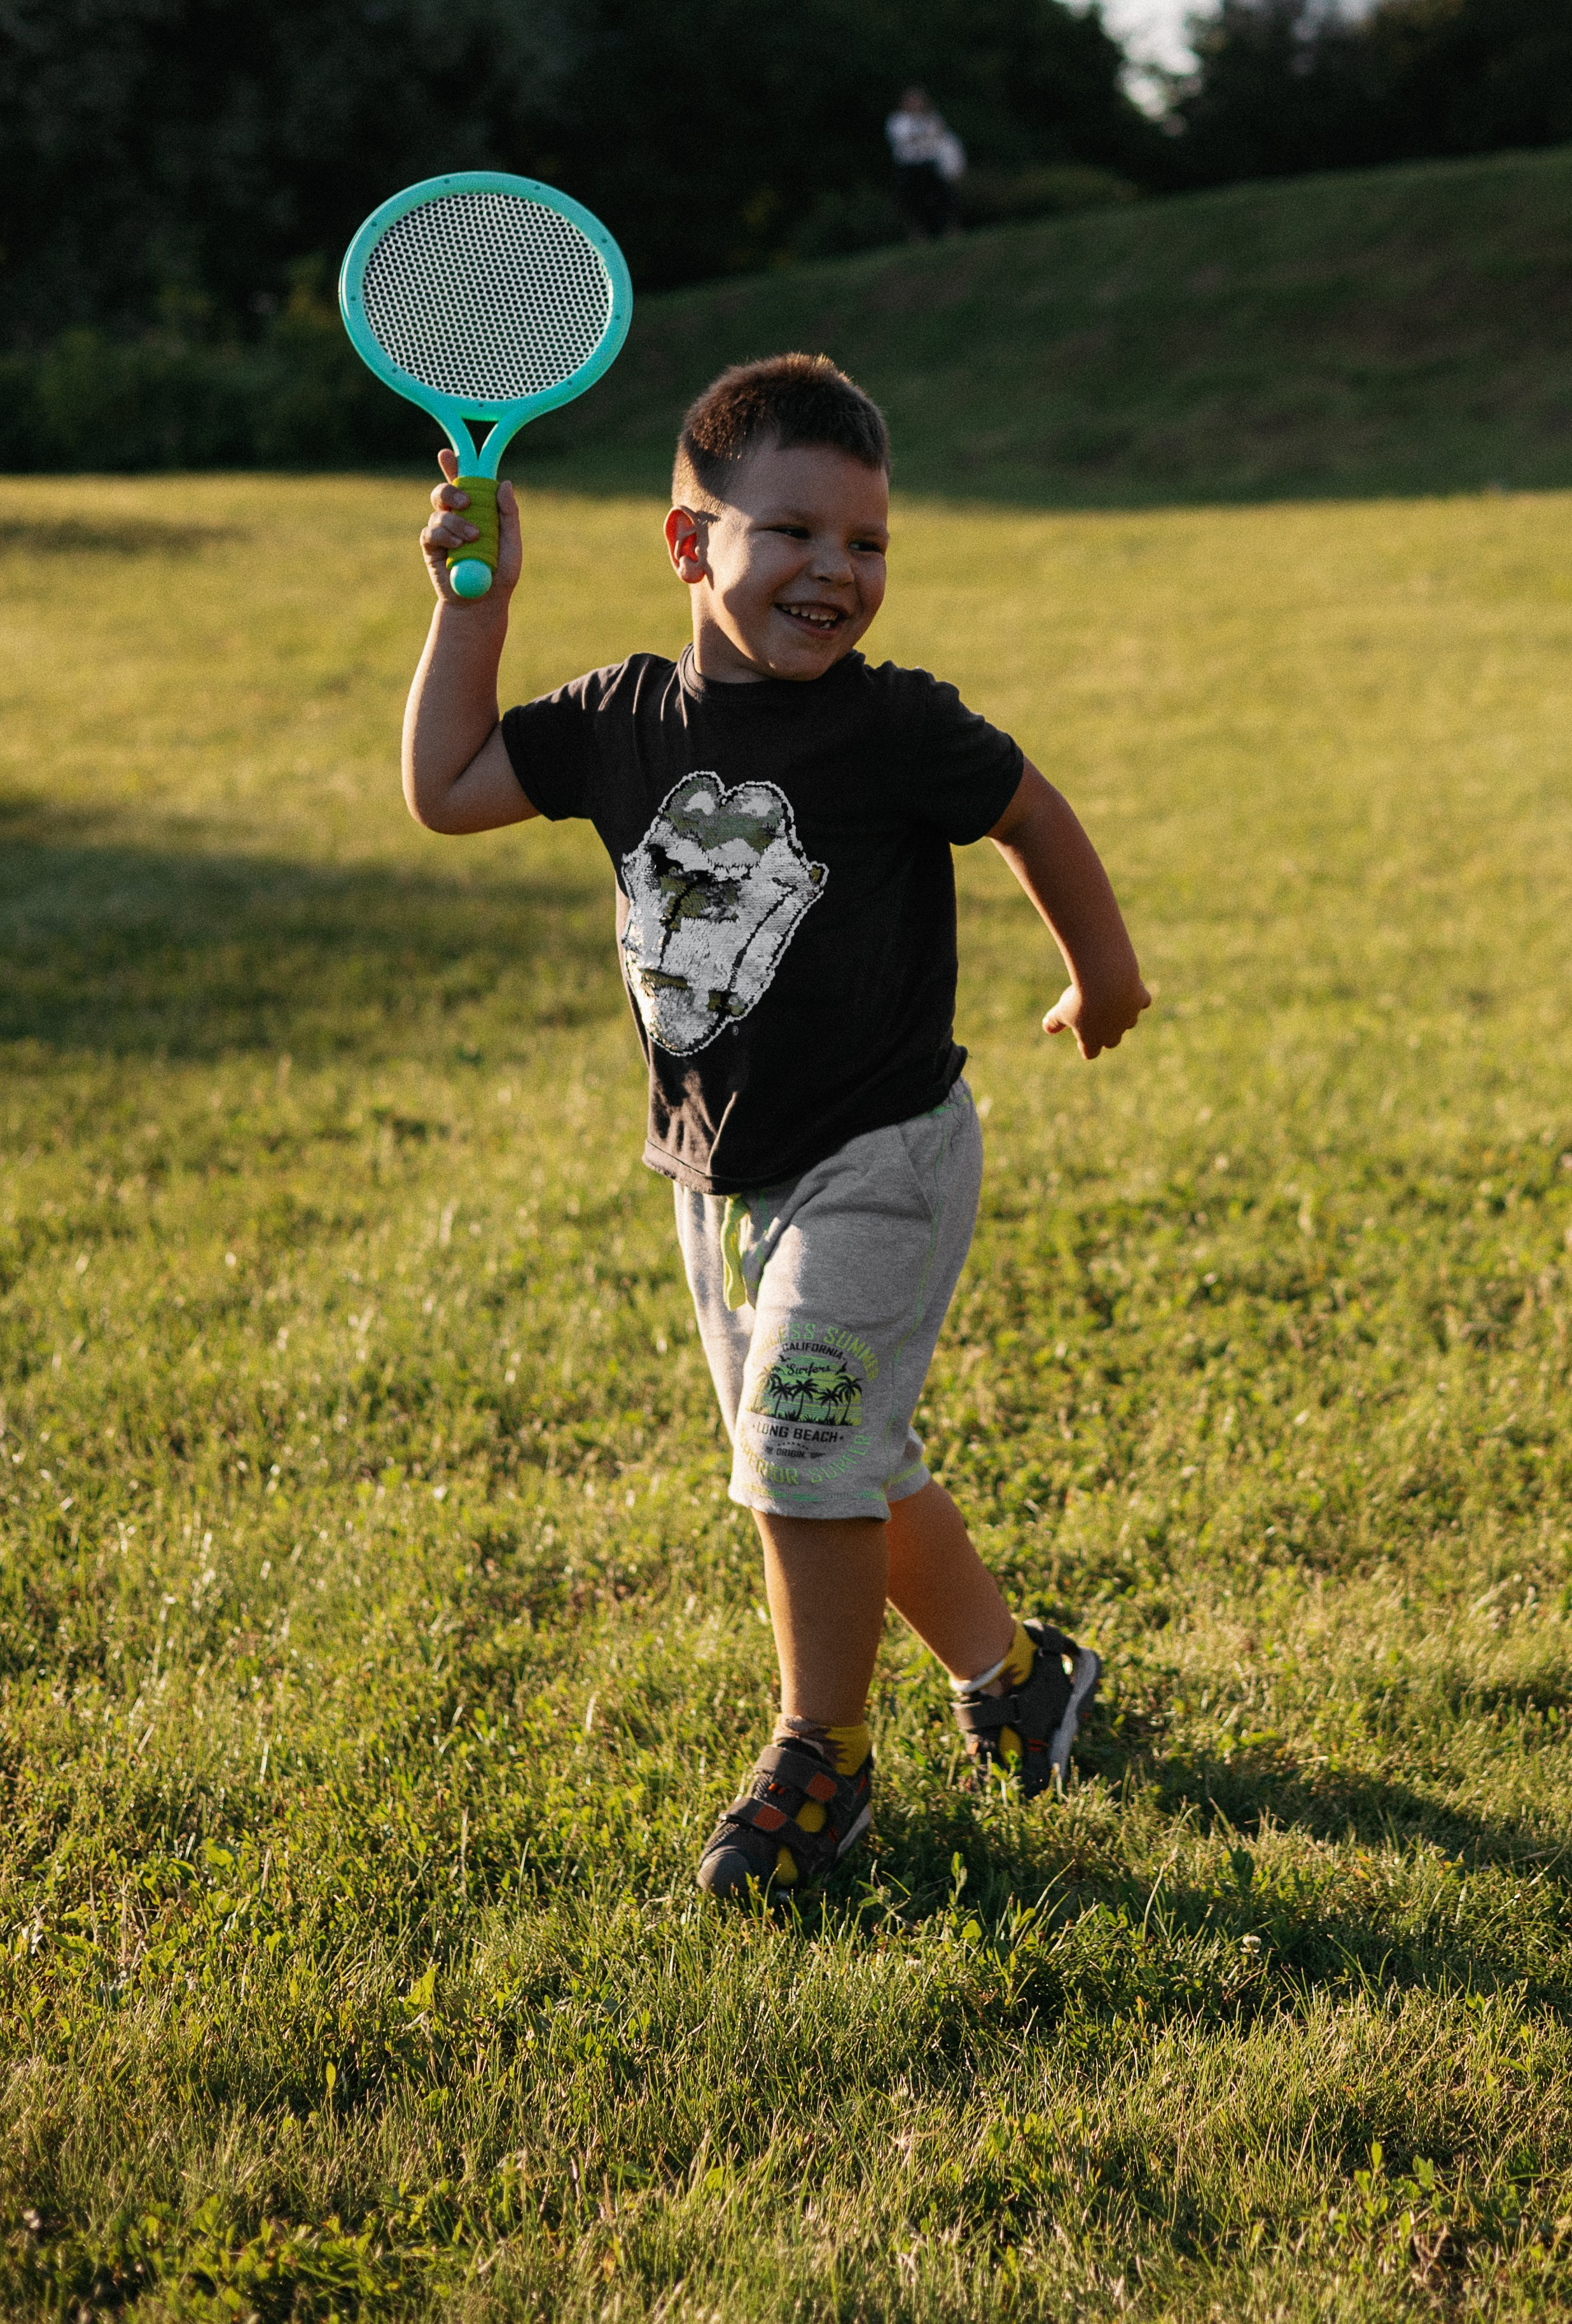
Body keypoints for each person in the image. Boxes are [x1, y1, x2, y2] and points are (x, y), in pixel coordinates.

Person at [403, 353, 1150, 1900]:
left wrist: (1104, 972)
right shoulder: (617, 718)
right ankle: (1020, 1679)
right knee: (836, 1453)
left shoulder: (893, 727)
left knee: (801, 1449)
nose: (837, 570)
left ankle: (822, 1755)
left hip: (882, 1151)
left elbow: (1028, 808)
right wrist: (477, 603)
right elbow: (450, 787)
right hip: (718, 1171)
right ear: (691, 543)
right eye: (794, 532)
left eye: (866, 542)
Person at [886, 86, 964, 239]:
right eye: (911, 101)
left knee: (944, 197)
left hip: (930, 163)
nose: (915, 104)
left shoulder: (932, 117)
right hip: (909, 167)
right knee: (913, 201)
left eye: (918, 100)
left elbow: (943, 139)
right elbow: (904, 139)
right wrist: (926, 135)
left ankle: (950, 230)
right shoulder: (898, 120)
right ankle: (919, 235)